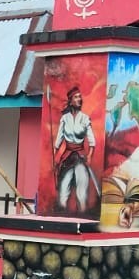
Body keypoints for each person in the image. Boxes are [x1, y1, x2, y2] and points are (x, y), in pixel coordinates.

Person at [53, 86, 98, 214]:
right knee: (63, 192)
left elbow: (92, 142)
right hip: (67, 158)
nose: (79, 99)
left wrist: (89, 156)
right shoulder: (65, 118)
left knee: (81, 193)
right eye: (76, 97)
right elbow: (58, 142)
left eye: (80, 97)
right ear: (71, 100)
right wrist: (55, 158)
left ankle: (82, 218)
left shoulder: (85, 118)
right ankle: (61, 220)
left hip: (80, 157)